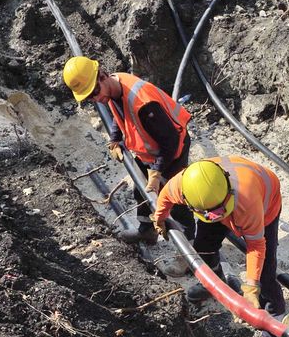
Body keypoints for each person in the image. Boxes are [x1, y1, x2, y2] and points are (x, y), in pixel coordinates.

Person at [150, 156, 288, 337]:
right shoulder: (185, 187)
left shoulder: (248, 200)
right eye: (213, 214)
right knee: (203, 249)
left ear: (226, 189)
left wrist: (251, 289)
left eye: (222, 212)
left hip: (265, 202)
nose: (220, 217)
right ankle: (213, 283)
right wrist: (160, 218)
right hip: (214, 204)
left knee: (265, 277)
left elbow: (256, 246)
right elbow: (164, 196)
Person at [62, 56, 194, 243]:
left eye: (96, 91)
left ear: (102, 75)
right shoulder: (114, 88)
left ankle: (190, 252)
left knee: (177, 200)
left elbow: (170, 141)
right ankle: (147, 232)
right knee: (141, 190)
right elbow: (119, 113)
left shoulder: (143, 103)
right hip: (149, 152)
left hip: (172, 151)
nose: (97, 98)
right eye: (90, 96)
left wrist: (156, 172)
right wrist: (115, 139)